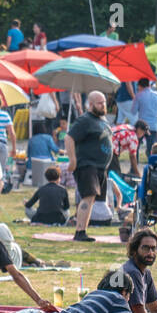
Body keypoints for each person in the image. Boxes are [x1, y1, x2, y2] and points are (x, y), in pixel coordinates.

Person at [65, 89, 112, 242]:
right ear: (90, 104)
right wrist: (73, 160)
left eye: (104, 102)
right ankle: (80, 231)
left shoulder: (102, 120)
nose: (103, 105)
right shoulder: (84, 120)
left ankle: (83, 229)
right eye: (99, 103)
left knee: (92, 199)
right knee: (88, 196)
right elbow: (69, 138)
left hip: (100, 167)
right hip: (87, 164)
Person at [119, 228, 157, 313]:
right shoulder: (132, 272)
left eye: (153, 248)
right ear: (134, 250)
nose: (150, 253)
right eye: (145, 248)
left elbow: (156, 309)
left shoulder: (146, 273)